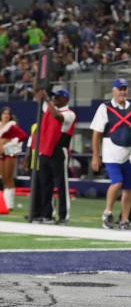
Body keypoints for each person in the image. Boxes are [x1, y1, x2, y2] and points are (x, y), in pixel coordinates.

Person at [90, 78, 131, 231]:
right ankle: (107, 212)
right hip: (111, 152)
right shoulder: (105, 108)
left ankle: (124, 219)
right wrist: (95, 156)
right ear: (114, 90)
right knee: (117, 182)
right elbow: (96, 133)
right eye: (119, 88)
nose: (122, 91)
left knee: (129, 188)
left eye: (124, 89)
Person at [30, 89, 76, 224]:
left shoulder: (69, 114)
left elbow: (58, 117)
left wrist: (47, 100)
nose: (56, 99)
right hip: (45, 149)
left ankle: (63, 215)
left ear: (66, 100)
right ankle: (46, 214)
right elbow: (39, 97)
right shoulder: (50, 108)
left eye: (59, 97)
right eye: (55, 97)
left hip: (59, 150)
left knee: (61, 184)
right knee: (45, 184)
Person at [0, 106, 27, 210]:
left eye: (8, 114)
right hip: (1, 154)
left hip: (9, 153)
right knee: (3, 178)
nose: (6, 115)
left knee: (8, 178)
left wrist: (8, 142)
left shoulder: (12, 126)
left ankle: (9, 204)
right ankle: (4, 202)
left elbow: (23, 136)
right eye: (4, 113)